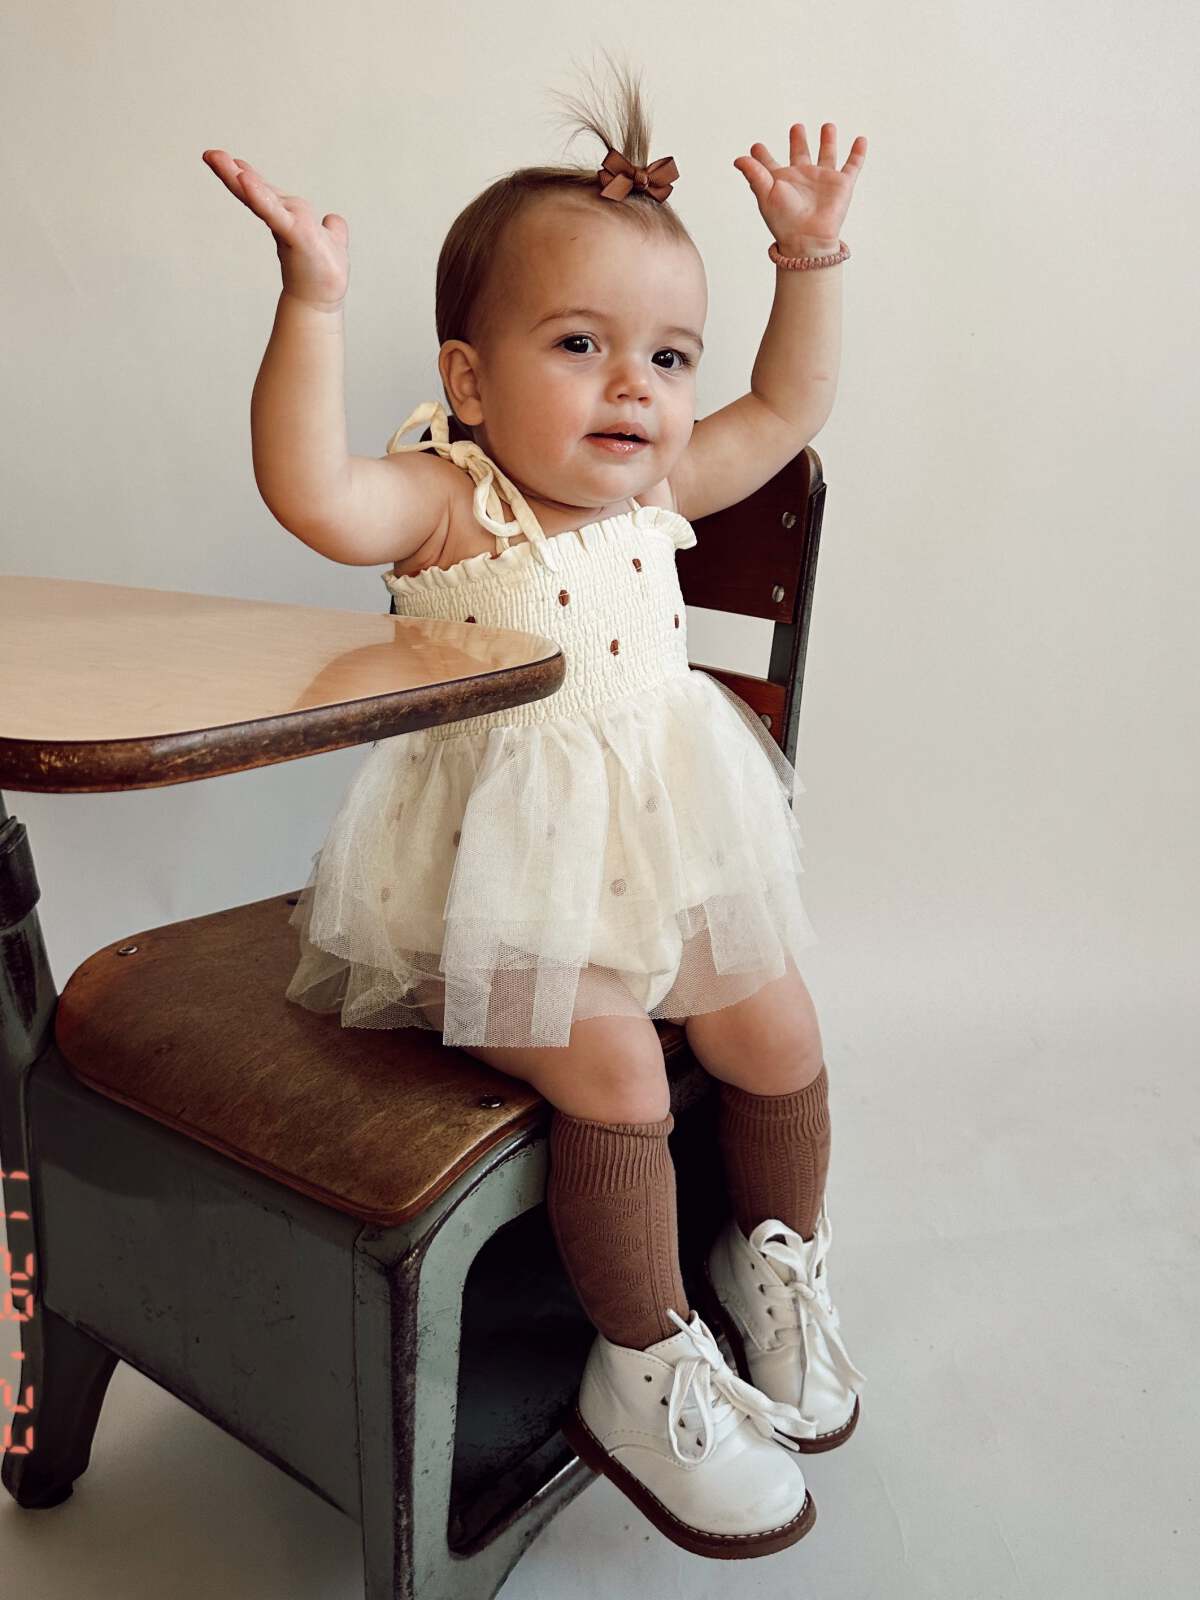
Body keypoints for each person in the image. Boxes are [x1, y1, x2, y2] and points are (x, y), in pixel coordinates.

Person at [202, 57, 868, 1562]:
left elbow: (795, 398)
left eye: (668, 355)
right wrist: (310, 301)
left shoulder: (664, 489)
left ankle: (774, 1256)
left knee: (779, 1027)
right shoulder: (452, 499)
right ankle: (638, 1357)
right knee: (620, 1072)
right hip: (488, 881)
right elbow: (309, 490)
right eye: (581, 343)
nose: (638, 385)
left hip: (665, 848)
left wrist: (808, 259)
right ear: (471, 379)